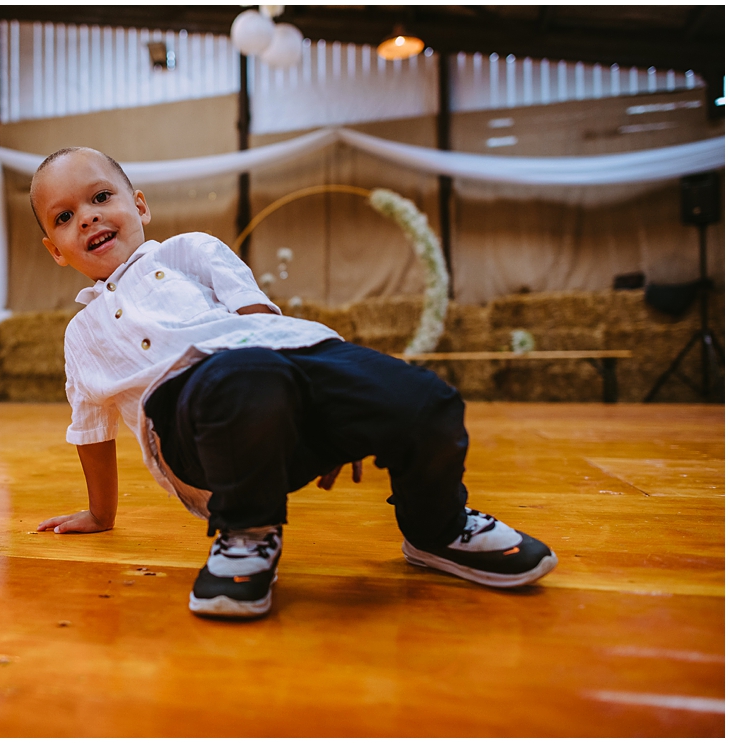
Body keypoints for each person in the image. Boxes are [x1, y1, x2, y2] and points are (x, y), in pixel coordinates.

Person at [30, 146, 558, 619]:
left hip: (280, 364)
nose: (88, 217)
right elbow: (91, 428)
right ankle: (246, 533)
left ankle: (436, 526)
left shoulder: (189, 251)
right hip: (198, 424)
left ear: (139, 206)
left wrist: (328, 405)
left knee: (423, 397)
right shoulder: (81, 335)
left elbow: (260, 319)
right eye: (65, 216)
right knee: (241, 377)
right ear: (55, 250)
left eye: (101, 196)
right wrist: (100, 515)